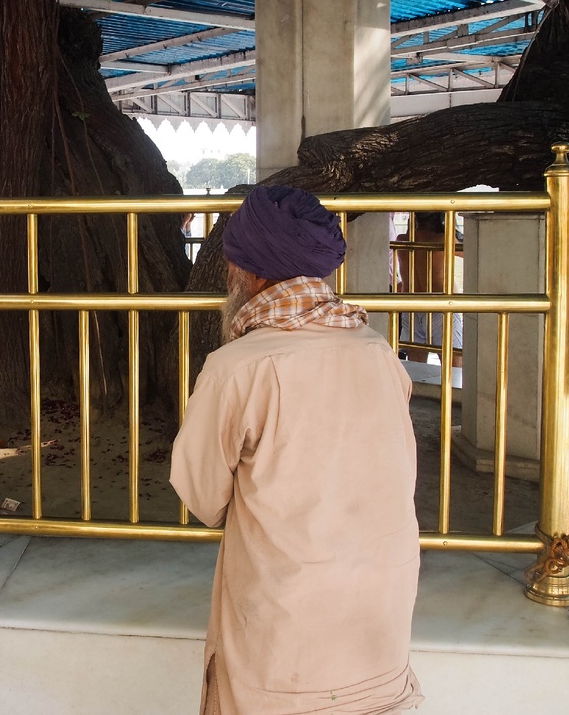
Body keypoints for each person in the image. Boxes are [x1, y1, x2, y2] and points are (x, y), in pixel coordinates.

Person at [170, 185, 421, 715]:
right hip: (381, 614)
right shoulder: (378, 351)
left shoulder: (238, 367)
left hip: (283, 631)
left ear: (246, 273)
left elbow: (201, 497)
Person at [395, 212, 463, 366]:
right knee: (453, 368)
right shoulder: (443, 240)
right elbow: (473, 250)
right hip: (440, 307)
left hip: (411, 308)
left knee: (416, 369)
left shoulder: (402, 240)